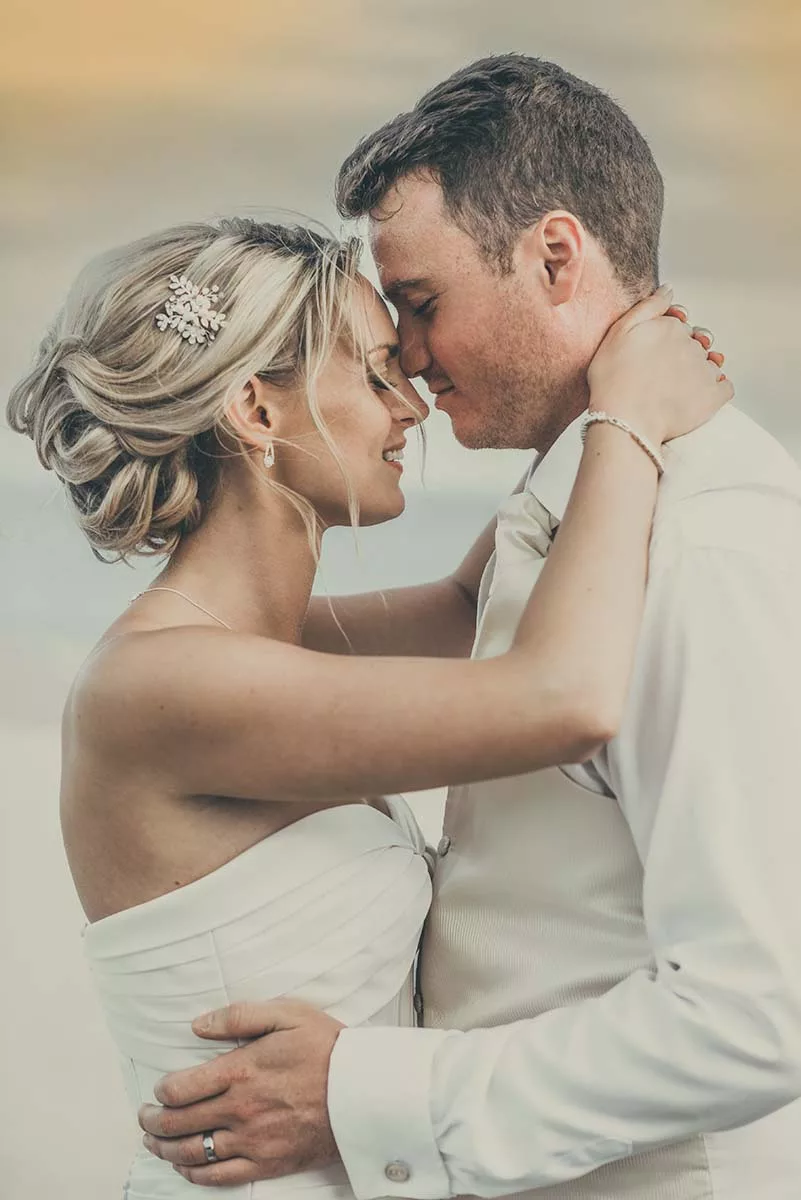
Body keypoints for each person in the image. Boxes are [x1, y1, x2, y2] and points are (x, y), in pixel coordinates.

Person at [136, 56, 801, 1200]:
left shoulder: (702, 547)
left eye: (423, 304)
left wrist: (369, 1095)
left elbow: (756, 1014)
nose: (406, 358)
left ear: (555, 257)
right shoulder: (583, 499)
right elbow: (445, 621)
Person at [7, 207, 722, 1200]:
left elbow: (475, 605)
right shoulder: (158, 687)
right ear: (256, 412)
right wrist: (627, 422)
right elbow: (563, 698)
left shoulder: (264, 648)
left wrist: (578, 387)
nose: (412, 407)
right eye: (379, 373)